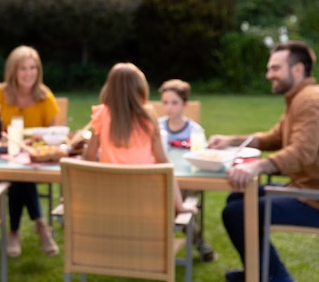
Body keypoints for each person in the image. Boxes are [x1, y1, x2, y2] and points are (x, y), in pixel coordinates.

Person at [208, 40, 319, 282]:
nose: (269, 75)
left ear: (298, 69)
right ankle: (259, 271)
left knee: (237, 212)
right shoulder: (298, 98)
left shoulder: (309, 102)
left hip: (313, 200)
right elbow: (274, 137)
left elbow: (302, 152)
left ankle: (273, 277)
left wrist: (258, 166)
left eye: (275, 68)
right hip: (302, 190)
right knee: (236, 197)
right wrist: (231, 140)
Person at [82, 63, 196, 216]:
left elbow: (88, 157)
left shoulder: (101, 114)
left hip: (109, 202)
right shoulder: (147, 117)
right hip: (146, 203)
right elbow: (163, 162)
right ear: (140, 88)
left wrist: (76, 195)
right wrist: (179, 205)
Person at [0, 45, 59, 257]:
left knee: (20, 176)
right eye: (23, 68)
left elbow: (52, 136)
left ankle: (14, 232)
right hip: (1, 157)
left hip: (33, 160)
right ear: (13, 70)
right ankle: (41, 224)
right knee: (18, 175)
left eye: (33, 68)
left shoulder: (45, 97)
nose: (29, 73)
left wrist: (39, 139)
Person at [158, 79, 216, 262]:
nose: (169, 107)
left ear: (185, 105)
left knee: (178, 203)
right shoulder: (156, 127)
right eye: (165, 102)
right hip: (164, 178)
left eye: (174, 103)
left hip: (187, 179)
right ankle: (198, 242)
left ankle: (197, 241)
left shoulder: (194, 130)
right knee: (175, 204)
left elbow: (201, 156)